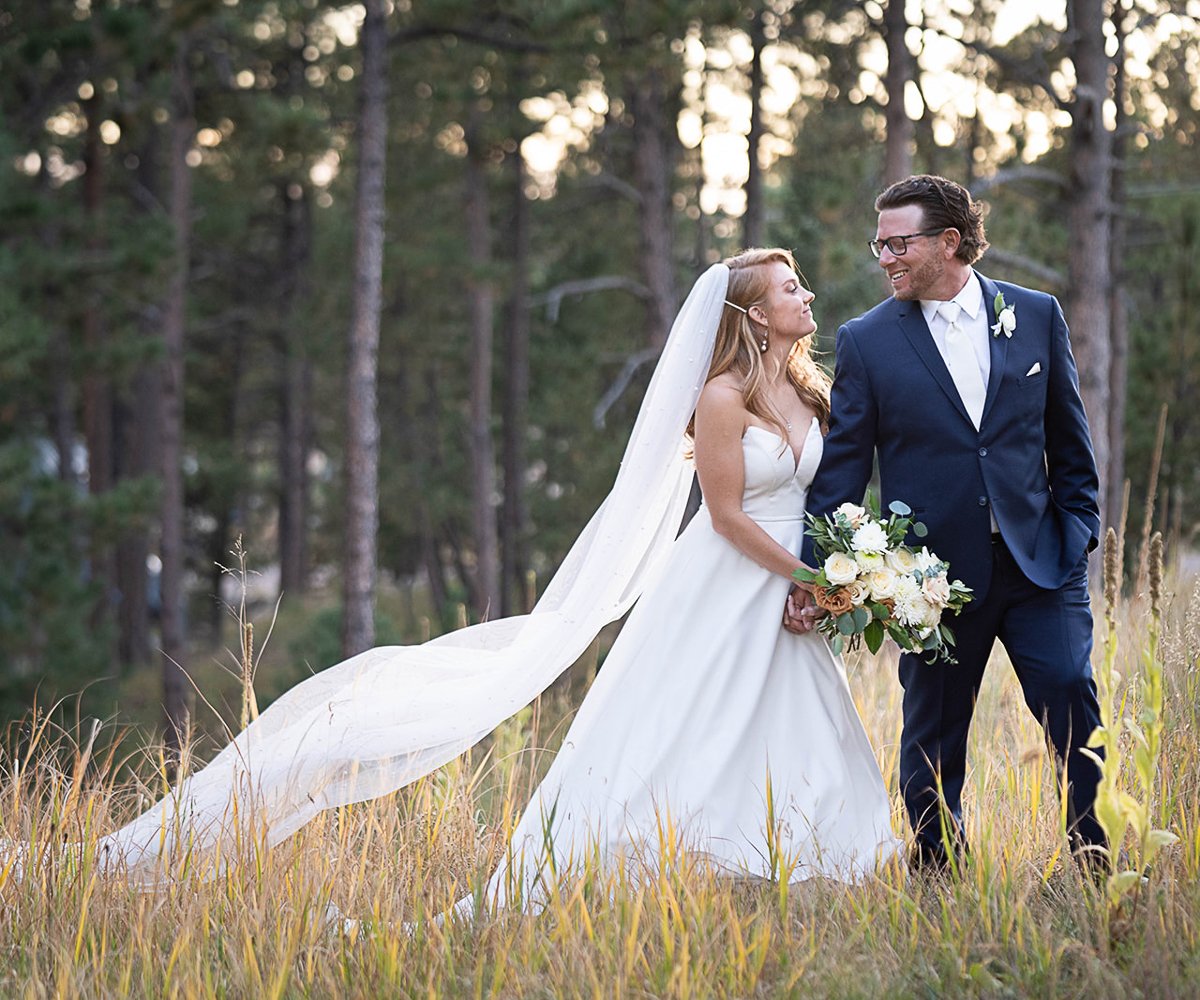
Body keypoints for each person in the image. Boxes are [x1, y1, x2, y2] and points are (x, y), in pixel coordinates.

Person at [48, 250, 895, 900]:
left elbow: (825, 490)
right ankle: (665, 850)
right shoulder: (719, 398)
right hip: (727, 574)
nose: (808, 297)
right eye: (791, 289)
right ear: (752, 313)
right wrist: (815, 575)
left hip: (789, 583)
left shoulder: (806, 389)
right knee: (689, 718)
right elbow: (725, 514)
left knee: (796, 708)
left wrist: (833, 571)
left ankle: (821, 850)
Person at [789, 175, 1104, 872]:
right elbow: (842, 474)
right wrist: (822, 575)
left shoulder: (1037, 314)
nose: (885, 258)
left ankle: (1094, 863)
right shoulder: (867, 342)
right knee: (932, 735)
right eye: (880, 245)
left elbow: (1071, 447)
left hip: (1040, 566)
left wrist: (1077, 531)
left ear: (949, 242)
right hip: (928, 584)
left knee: (1073, 702)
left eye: (898, 243)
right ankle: (938, 871)